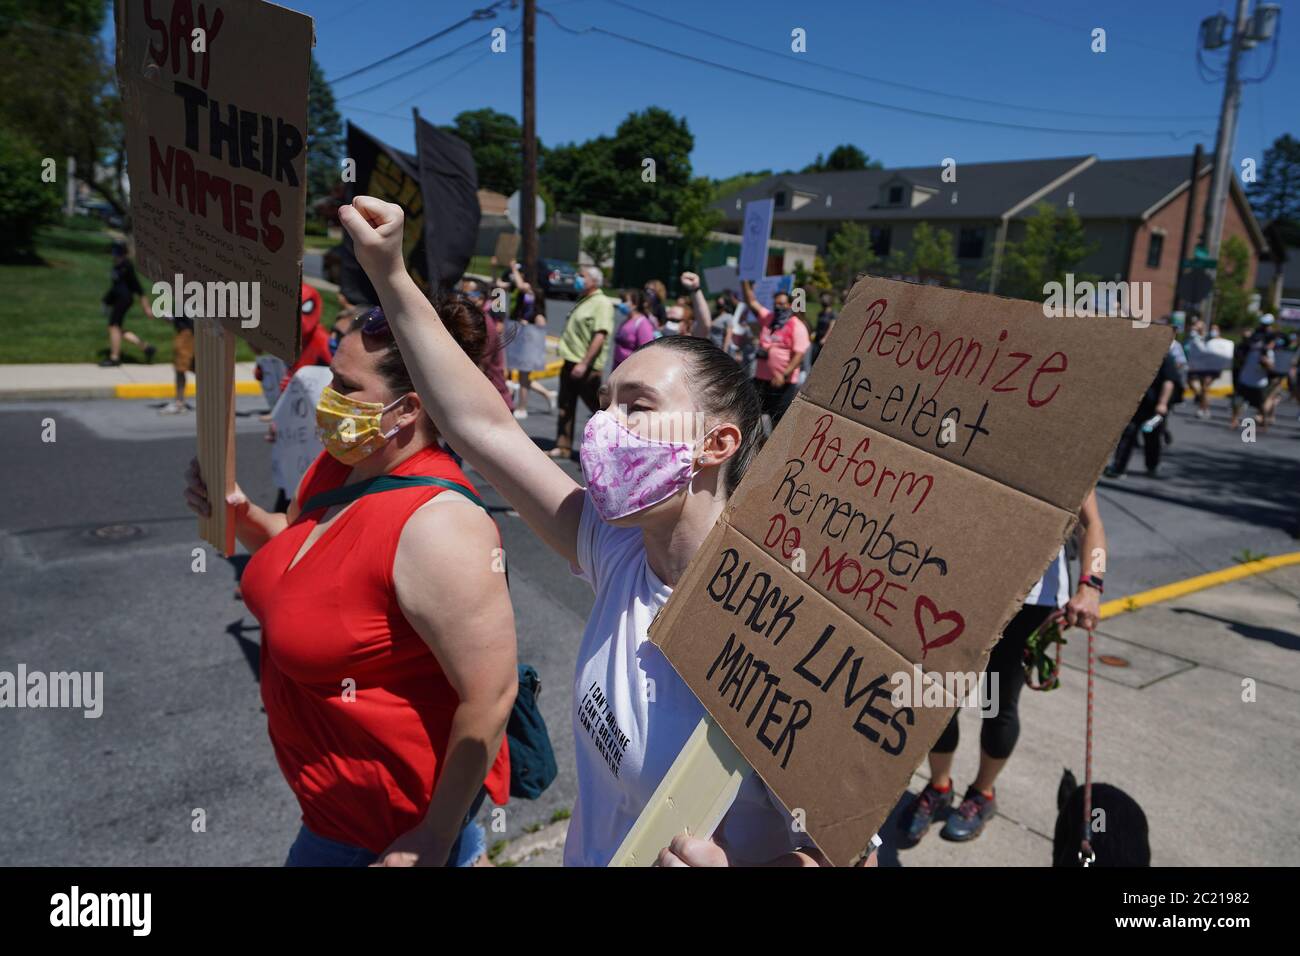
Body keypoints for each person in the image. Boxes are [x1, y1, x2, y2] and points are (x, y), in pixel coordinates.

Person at [339, 194, 850, 867]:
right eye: (605, 404)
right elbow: (481, 425)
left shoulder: (796, 627)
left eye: (637, 407)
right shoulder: (619, 551)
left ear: (717, 443)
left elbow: (842, 850)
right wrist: (390, 274)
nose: (603, 427)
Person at [183, 298, 516, 867]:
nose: (325, 395)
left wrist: (435, 839)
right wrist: (239, 513)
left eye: (345, 384)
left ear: (406, 409)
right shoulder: (342, 464)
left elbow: (490, 698)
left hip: (388, 839)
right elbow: (303, 551)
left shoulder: (440, 525)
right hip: (328, 811)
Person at [901, 491, 1107, 845]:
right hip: (961, 585)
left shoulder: (1063, 441)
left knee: (997, 703)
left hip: (1030, 600)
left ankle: (982, 794)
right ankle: (939, 787)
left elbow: (1092, 523)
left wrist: (1092, 584)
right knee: (938, 698)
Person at [551, 265, 614, 459]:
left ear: (594, 281)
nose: (577, 278)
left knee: (600, 409)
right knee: (566, 405)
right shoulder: (585, 299)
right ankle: (563, 446)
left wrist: (584, 363)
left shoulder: (602, 303)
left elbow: (600, 335)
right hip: (571, 361)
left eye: (582, 276)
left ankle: (612, 445)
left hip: (584, 365)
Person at [741, 279, 810, 425]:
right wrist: (745, 281)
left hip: (782, 382)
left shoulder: (797, 326)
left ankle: (775, 447)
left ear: (790, 305)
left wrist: (784, 374)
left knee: (777, 420)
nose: (779, 307)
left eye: (782, 304)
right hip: (761, 379)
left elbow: (799, 355)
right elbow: (752, 302)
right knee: (751, 414)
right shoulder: (769, 318)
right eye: (776, 304)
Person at [1105, 347, 1181, 477]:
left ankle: (1152, 466)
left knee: (1152, 437)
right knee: (1127, 436)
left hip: (1153, 407)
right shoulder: (1136, 356)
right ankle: (1119, 468)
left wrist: (1162, 403)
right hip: (1136, 406)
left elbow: (1169, 382)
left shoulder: (1165, 357)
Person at [505, 260, 556, 419]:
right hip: (522, 334)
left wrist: (513, 268)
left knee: (524, 375)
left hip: (528, 337)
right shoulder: (527, 291)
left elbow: (522, 286)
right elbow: (503, 286)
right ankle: (547, 394)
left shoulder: (533, 290)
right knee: (521, 375)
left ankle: (522, 407)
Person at [99, 240, 156, 367]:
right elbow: (115, 287)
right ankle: (147, 348)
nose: (114, 255)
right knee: (116, 328)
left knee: (113, 327)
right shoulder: (117, 266)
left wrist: (146, 307)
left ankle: (114, 358)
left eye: (116, 252)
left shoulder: (127, 266)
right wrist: (106, 301)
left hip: (124, 300)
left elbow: (138, 288)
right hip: (120, 299)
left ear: (122, 253)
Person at [461, 278, 514, 411]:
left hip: (494, 402)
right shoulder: (474, 319)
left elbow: (480, 366)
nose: (461, 298)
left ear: (481, 298)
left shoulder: (485, 323)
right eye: (461, 294)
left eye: (468, 295)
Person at [1231, 318, 1276, 432]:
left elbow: (1271, 367)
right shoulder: (1246, 350)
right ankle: (1234, 420)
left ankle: (1264, 424)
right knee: (1237, 402)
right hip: (1245, 380)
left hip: (1259, 383)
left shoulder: (1267, 352)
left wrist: (1265, 362)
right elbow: (1239, 360)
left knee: (1260, 405)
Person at [158, 300, 195, 415]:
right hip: (190, 332)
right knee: (200, 369)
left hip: (186, 334)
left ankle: (179, 403)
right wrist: (173, 318)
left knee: (180, 369)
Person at [612, 288, 657, 369]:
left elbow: (645, 351)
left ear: (635, 304)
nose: (621, 304)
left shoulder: (642, 323)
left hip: (630, 370)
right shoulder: (626, 321)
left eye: (624, 301)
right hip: (618, 367)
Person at [811, 291, 837, 365]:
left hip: (825, 341)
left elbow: (831, 327)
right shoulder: (821, 313)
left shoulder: (833, 314)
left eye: (825, 299)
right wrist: (814, 333)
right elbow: (818, 325)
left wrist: (825, 338)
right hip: (817, 339)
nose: (823, 300)